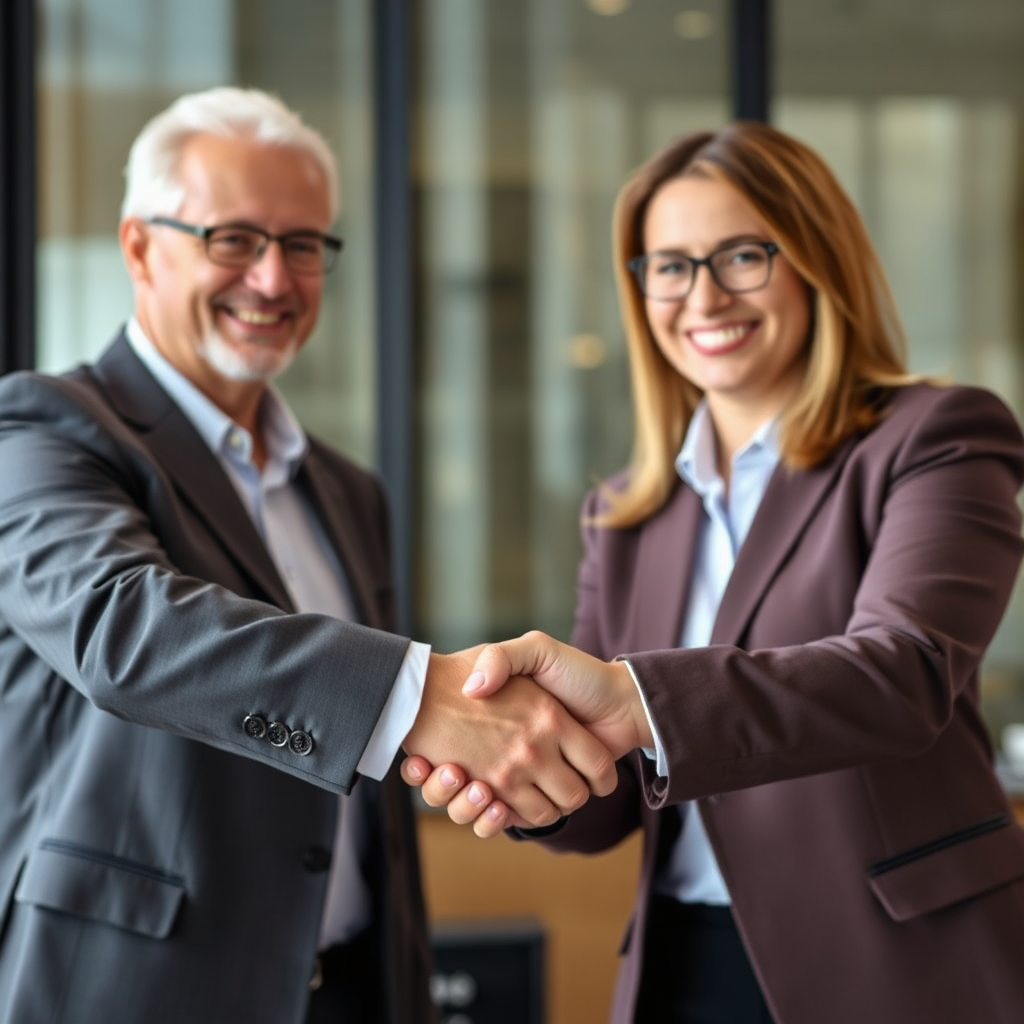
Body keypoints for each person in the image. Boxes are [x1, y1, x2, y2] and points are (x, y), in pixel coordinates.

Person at [0, 86, 616, 1024]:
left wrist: (493, 755)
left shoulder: (345, 489)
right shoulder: (46, 430)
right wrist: (415, 697)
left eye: (302, 246)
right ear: (138, 246)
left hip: (353, 987)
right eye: (233, 240)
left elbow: (361, 755)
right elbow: (120, 627)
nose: (275, 281)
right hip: (142, 991)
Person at [403, 121, 1024, 1024]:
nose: (703, 295)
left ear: (817, 260)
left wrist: (637, 700)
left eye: (741, 255)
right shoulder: (624, 513)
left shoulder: (934, 438)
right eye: (669, 265)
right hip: (685, 965)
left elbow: (904, 673)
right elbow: (607, 808)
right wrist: (520, 774)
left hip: (898, 963)